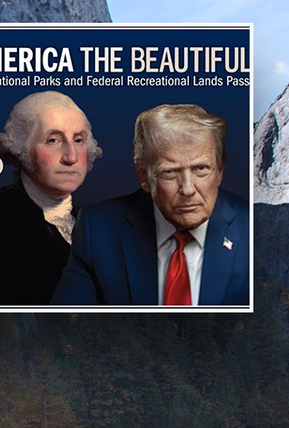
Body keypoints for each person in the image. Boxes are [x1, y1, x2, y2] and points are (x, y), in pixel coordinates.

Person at [52, 104, 249, 306]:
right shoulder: (97, 230)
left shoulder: (253, 229)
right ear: (143, 176)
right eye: (170, 172)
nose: (188, 189)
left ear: (220, 170)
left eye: (201, 169)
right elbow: (66, 318)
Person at [0, 90, 102, 305]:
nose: (71, 156)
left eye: (78, 140)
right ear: (21, 149)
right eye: (53, 140)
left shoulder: (102, 232)